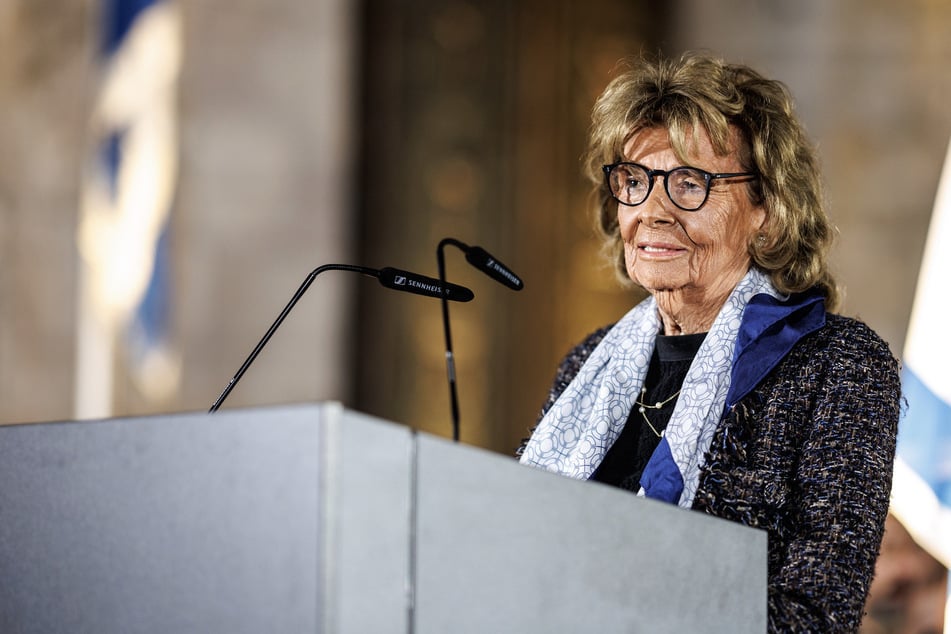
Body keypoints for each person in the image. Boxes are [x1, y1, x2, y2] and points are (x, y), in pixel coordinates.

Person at [518, 51, 901, 632]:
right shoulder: (586, 365)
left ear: (767, 211)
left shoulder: (838, 365)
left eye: (690, 183)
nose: (652, 211)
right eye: (635, 181)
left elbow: (817, 614)